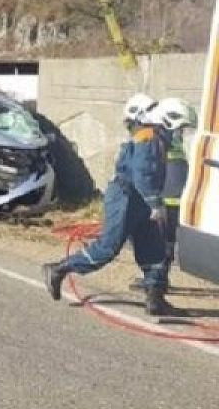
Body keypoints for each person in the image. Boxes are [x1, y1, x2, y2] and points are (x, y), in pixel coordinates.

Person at [43, 93, 172, 315]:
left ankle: (155, 299)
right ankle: (58, 269)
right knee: (108, 248)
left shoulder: (155, 137)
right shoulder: (146, 137)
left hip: (139, 198)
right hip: (127, 197)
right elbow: (142, 174)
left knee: (154, 249)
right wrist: (155, 204)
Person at [148, 98, 198, 284]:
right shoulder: (158, 142)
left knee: (163, 245)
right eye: (180, 128)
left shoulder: (165, 141)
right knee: (164, 244)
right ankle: (156, 282)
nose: (181, 132)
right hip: (169, 201)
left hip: (171, 201)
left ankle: (156, 284)